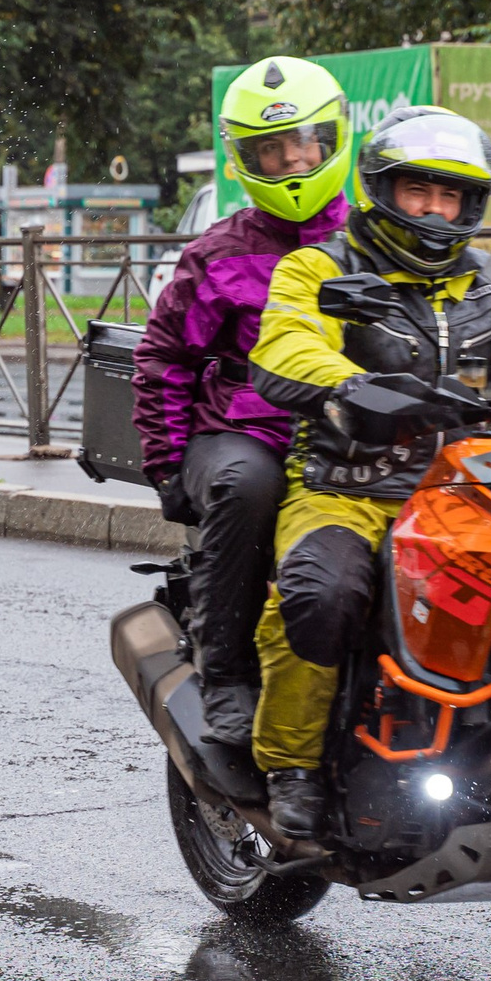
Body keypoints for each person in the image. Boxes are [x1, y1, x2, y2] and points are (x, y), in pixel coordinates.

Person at [245, 106, 491, 837]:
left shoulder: (487, 282)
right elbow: (287, 345)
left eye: (451, 196)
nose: (435, 210)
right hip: (346, 485)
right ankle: (292, 766)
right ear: (383, 190)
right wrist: (350, 385)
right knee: (322, 594)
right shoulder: (323, 267)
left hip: (467, 490)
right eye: (419, 191)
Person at [134, 56, 354, 747]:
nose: (292, 160)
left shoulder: (375, 241)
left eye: (302, 143)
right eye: (271, 149)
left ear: (331, 140)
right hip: (243, 431)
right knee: (248, 484)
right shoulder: (217, 253)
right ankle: (224, 669)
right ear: (245, 158)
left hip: (353, 433)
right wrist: (169, 466)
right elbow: (163, 357)